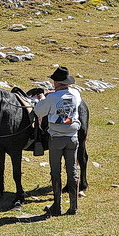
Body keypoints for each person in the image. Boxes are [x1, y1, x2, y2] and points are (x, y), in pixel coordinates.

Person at [33, 66, 83, 215]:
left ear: (56, 82)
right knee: (72, 171)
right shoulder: (76, 94)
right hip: (72, 137)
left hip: (56, 138)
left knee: (56, 172)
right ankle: (73, 207)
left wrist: (43, 99)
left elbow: (38, 111)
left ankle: (57, 206)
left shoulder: (52, 97)